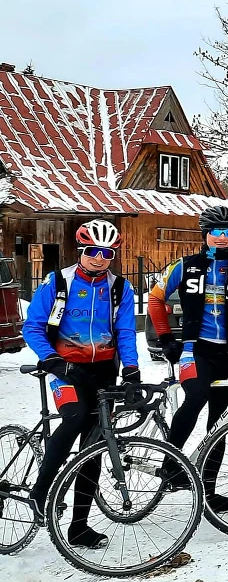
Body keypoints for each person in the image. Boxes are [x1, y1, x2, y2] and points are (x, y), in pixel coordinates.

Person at [21, 220, 137, 549]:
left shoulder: (119, 288)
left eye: (107, 253)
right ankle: (40, 492)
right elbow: (33, 326)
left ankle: (79, 526)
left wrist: (131, 369)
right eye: (92, 251)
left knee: (95, 445)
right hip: (66, 370)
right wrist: (51, 358)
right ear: (81, 250)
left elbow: (126, 332)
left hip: (103, 370)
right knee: (74, 417)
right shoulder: (58, 282)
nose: (99, 258)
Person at [150, 205, 228, 514]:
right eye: (215, 233)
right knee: (195, 397)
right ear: (205, 235)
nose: (221, 238)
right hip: (195, 350)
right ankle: (171, 464)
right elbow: (155, 300)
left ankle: (208, 490)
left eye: (227, 233)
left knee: (218, 423)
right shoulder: (184, 266)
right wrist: (167, 338)